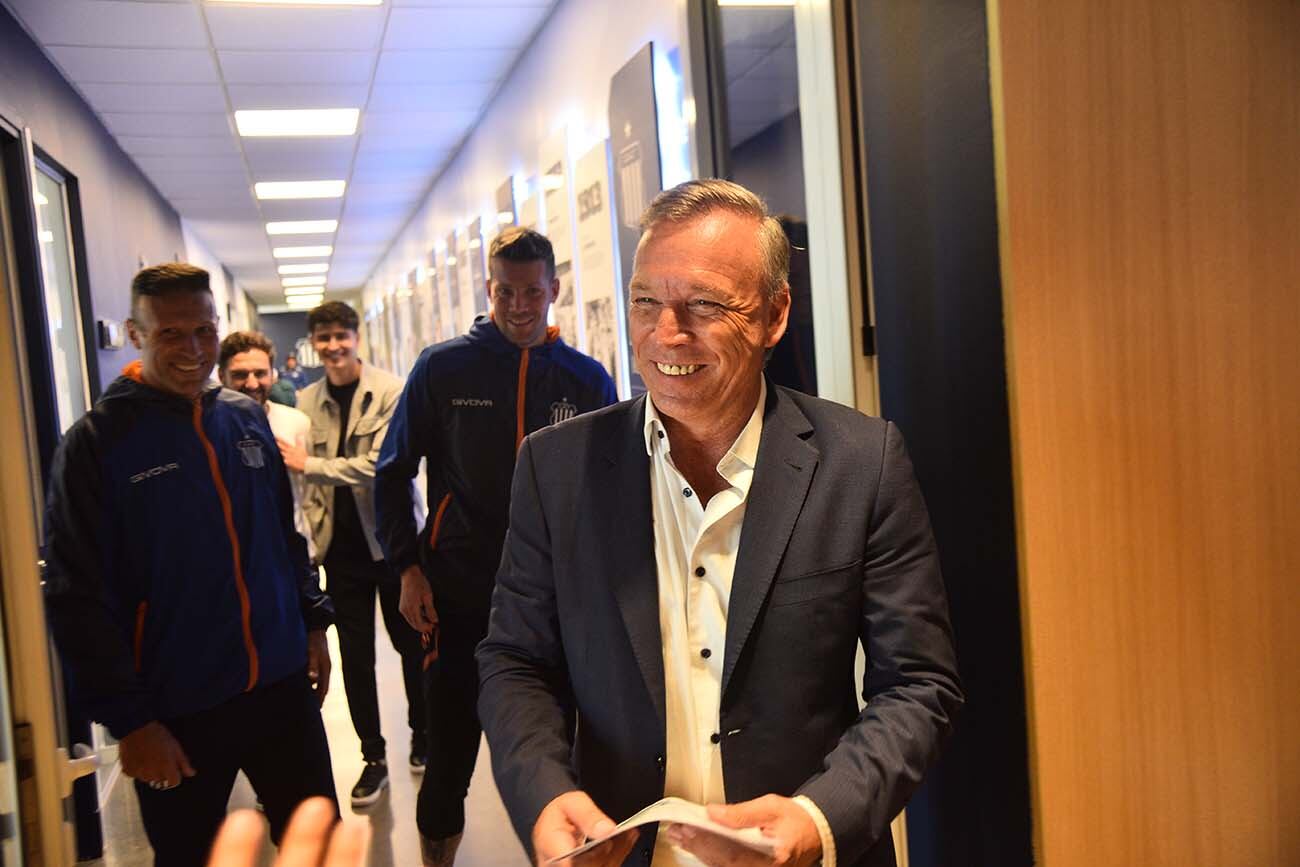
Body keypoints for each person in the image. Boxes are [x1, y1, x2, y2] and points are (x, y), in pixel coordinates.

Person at [476, 180, 964, 867]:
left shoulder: (862, 463)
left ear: (774, 313)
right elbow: (516, 660)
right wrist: (544, 791)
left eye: (703, 304)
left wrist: (819, 816)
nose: (666, 332)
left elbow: (919, 683)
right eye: (647, 300)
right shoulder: (554, 469)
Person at [43, 263, 338, 866]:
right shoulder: (98, 442)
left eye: (204, 331)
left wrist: (312, 623)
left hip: (280, 687)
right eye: (170, 334)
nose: (193, 350)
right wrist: (131, 722)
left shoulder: (243, 417)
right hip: (178, 706)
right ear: (134, 333)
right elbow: (76, 594)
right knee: (188, 857)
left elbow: (284, 537)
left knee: (322, 848)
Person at [374, 226, 617, 865]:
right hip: (458, 596)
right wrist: (407, 569)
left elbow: (611, 494)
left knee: (555, 755)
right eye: (504, 291)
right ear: (489, 289)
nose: (517, 305)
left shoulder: (586, 380)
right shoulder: (443, 367)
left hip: (554, 607)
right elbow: (392, 472)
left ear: (553, 290)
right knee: (449, 752)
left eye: (531, 291)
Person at [281, 301, 427, 809]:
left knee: (413, 646)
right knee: (357, 660)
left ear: (356, 337)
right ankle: (373, 757)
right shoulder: (306, 401)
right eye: (324, 338)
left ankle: (422, 737)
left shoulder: (390, 392)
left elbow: (379, 465)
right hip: (339, 553)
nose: (333, 346)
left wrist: (312, 464)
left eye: (341, 335)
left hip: (392, 545)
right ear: (314, 345)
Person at [219, 331, 315, 559]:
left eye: (260, 373)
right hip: (238, 558)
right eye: (240, 375)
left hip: (295, 552)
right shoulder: (211, 432)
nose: (252, 383)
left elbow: (312, 496)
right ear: (222, 376)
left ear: (272, 375)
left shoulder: (297, 422)